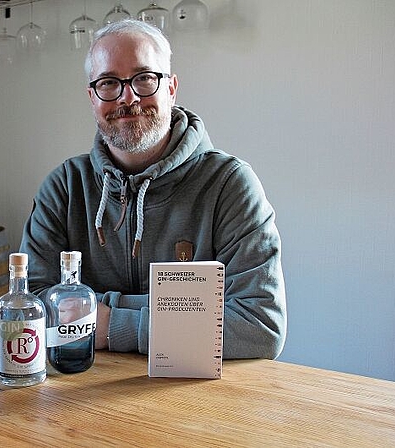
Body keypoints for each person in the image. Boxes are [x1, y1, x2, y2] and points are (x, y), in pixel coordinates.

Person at [19, 19, 287, 359]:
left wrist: (111, 320)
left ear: (172, 88)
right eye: (109, 82)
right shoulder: (63, 187)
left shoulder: (230, 185)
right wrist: (181, 312)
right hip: (82, 390)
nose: (127, 97)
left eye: (145, 78)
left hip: (198, 395)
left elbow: (259, 327)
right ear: (92, 97)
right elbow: (29, 308)